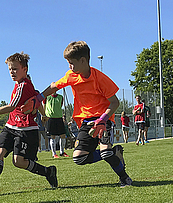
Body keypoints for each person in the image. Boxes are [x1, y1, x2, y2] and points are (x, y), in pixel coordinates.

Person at [38, 41, 132, 187]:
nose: (69, 66)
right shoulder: (71, 76)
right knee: (79, 159)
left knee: (106, 153)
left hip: (102, 120)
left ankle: (125, 179)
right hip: (85, 123)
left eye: (71, 63)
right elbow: (53, 86)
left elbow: (115, 103)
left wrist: (102, 120)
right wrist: (39, 98)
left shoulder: (100, 79)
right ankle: (116, 152)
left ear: (83, 60)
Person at [0, 52, 58, 197]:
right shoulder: (21, 83)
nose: (12, 72)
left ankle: (48, 172)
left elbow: (11, 106)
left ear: (24, 69)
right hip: (11, 126)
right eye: (10, 70)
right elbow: (36, 99)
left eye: (15, 69)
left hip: (26, 129)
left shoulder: (24, 86)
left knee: (19, 162)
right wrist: (42, 113)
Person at [45, 93, 68, 158]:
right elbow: (44, 106)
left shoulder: (60, 97)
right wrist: (44, 116)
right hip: (51, 118)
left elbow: (60, 106)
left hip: (59, 118)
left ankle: (62, 152)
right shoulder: (47, 97)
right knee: (52, 136)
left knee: (63, 135)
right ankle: (54, 153)